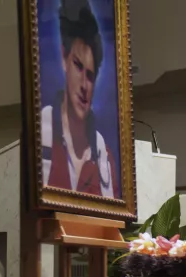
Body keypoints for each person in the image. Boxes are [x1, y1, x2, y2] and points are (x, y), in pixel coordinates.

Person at [41, 0, 120, 199]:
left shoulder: (104, 157)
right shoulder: (41, 134)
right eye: (78, 65)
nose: (84, 85)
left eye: (91, 76)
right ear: (64, 58)